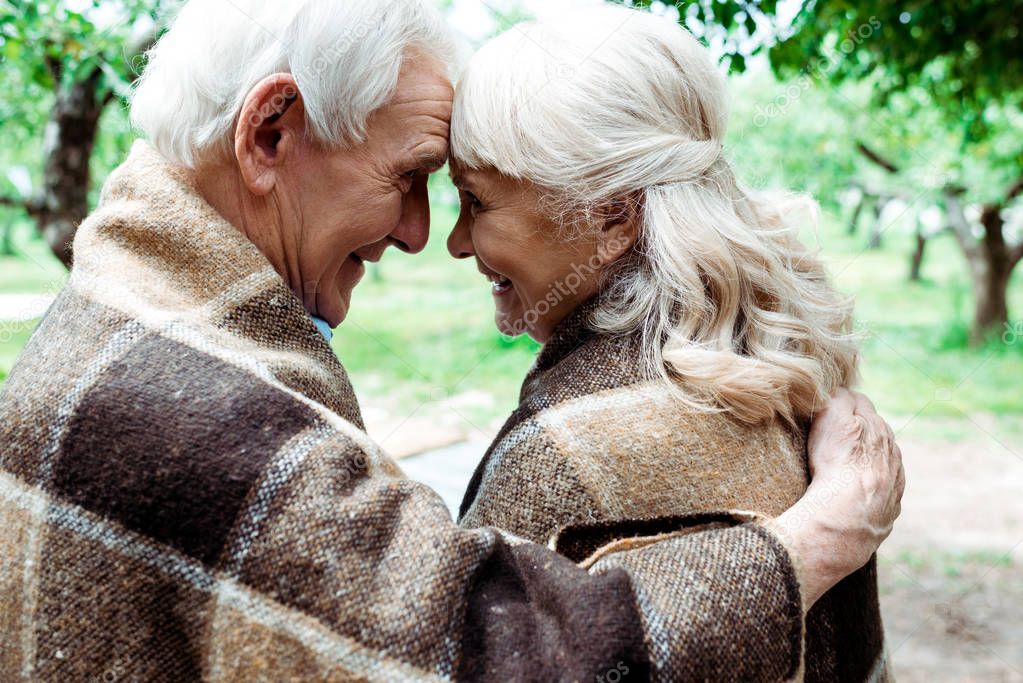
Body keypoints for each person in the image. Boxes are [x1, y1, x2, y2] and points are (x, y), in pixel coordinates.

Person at [0, 1, 904, 680]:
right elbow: (491, 656)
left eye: (469, 197)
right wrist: (822, 536)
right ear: (269, 134)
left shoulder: (108, 319)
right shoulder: (206, 412)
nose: (427, 235)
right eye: (414, 178)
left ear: (612, 214)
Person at [447, 7, 891, 680]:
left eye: (475, 201)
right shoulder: (783, 384)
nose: (454, 241)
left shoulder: (561, 454)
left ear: (612, 216)